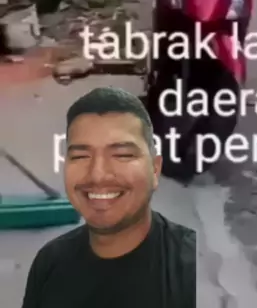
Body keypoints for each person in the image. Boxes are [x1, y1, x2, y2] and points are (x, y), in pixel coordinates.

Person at [21, 86, 196, 308]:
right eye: (81, 156)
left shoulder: (191, 272)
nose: (97, 174)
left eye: (121, 155)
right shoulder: (49, 263)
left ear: (154, 170)